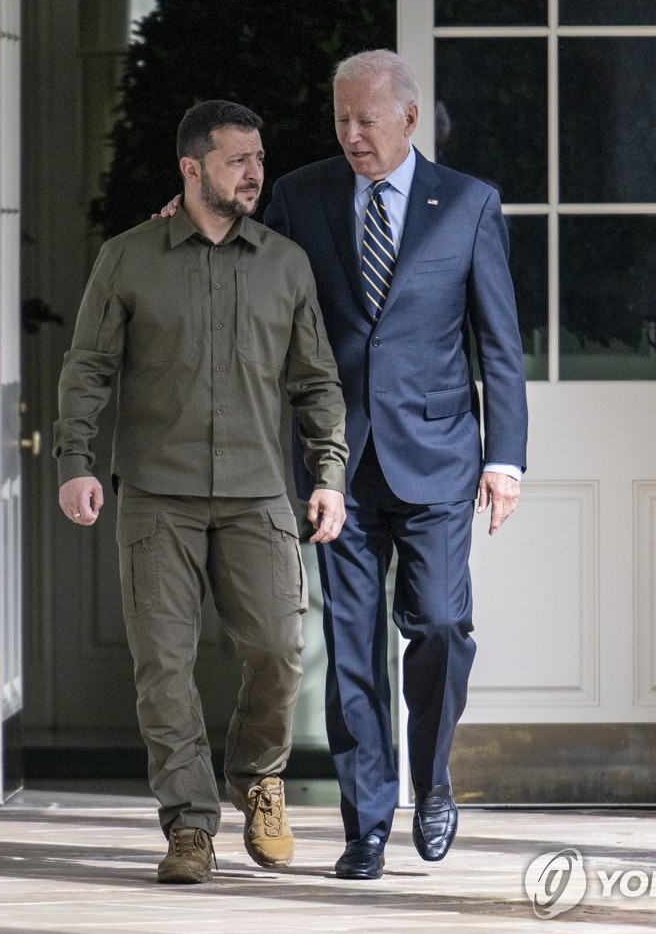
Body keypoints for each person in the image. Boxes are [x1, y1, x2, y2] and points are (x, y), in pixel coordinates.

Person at [164, 51, 528, 879]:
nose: (352, 134)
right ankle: (366, 827)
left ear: (408, 118)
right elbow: (252, 269)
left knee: (437, 624)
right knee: (353, 647)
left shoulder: (467, 205)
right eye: (341, 119)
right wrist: (189, 219)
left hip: (438, 456)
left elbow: (498, 345)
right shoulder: (304, 194)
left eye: (368, 119)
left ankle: (432, 783)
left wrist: (504, 459)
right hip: (336, 462)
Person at [53, 100, 349, 885]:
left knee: (279, 650)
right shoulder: (128, 258)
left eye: (259, 157)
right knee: (164, 668)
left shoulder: (284, 263)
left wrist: (329, 473)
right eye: (236, 160)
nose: (256, 172)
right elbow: (89, 367)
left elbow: (315, 380)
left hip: (258, 494)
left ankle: (258, 778)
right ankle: (187, 826)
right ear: (191, 169)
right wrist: (75, 460)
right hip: (158, 496)